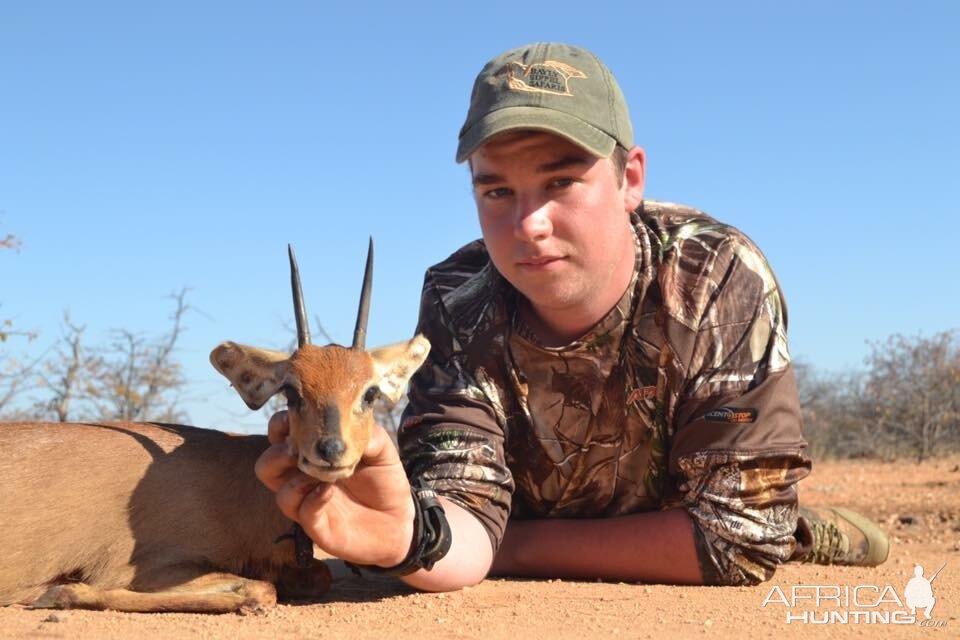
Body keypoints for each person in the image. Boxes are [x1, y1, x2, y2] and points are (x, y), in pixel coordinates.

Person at [255, 42, 889, 590]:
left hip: (647, 514)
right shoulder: (456, 299)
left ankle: (809, 529)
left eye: (560, 183)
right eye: (497, 190)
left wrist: (508, 550)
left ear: (629, 179)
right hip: (517, 517)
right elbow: (460, 504)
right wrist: (414, 539)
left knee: (765, 529)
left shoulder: (715, 276)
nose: (528, 225)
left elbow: (737, 541)